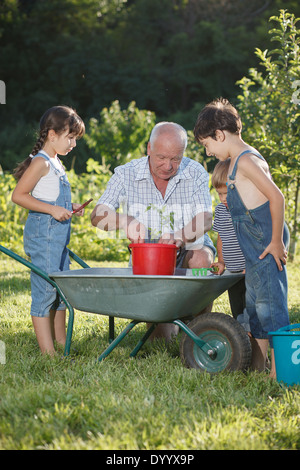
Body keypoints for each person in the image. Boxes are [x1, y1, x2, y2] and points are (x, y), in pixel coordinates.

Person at [91, 121, 216, 340]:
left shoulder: (195, 172)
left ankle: (198, 327)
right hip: (151, 263)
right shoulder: (126, 174)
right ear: (149, 149)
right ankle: (171, 323)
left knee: (201, 262)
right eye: (161, 157)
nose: (168, 166)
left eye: (175, 159)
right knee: (161, 340)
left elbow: (205, 219)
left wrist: (180, 236)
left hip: (188, 250)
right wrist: (124, 220)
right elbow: (97, 216)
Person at [194, 97, 289, 378]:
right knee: (255, 310)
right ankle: (259, 366)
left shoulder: (247, 160)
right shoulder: (234, 163)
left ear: (219, 135)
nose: (208, 151)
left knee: (271, 309)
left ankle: (279, 371)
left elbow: (277, 197)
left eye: (207, 144)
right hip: (252, 253)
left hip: (264, 246)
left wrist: (275, 242)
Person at [12, 105, 85, 355]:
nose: (73, 144)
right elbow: (19, 195)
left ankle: (62, 343)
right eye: (70, 138)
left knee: (61, 289)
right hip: (44, 236)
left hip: (58, 238)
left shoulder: (55, 162)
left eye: (75, 139)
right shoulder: (41, 163)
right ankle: (48, 353)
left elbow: (51, 197)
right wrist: (53, 210)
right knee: (45, 290)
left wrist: (68, 206)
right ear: (52, 135)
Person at [211, 159, 249, 333]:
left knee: (251, 312)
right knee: (237, 311)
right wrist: (222, 262)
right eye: (220, 194)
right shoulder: (220, 210)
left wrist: (251, 263)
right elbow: (221, 238)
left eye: (227, 193)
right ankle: (242, 342)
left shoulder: (247, 210)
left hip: (249, 271)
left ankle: (257, 349)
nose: (223, 199)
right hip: (232, 272)